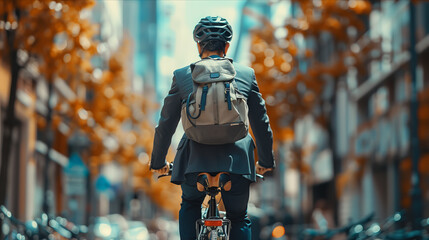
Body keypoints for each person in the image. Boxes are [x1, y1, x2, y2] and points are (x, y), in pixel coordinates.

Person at [150, 16, 275, 240]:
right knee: (238, 217)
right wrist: (265, 162)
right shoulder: (246, 74)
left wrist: (158, 162)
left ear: (198, 46)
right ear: (227, 46)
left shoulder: (182, 76)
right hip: (237, 162)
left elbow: (166, 125)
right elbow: (261, 123)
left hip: (193, 162)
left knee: (189, 204)